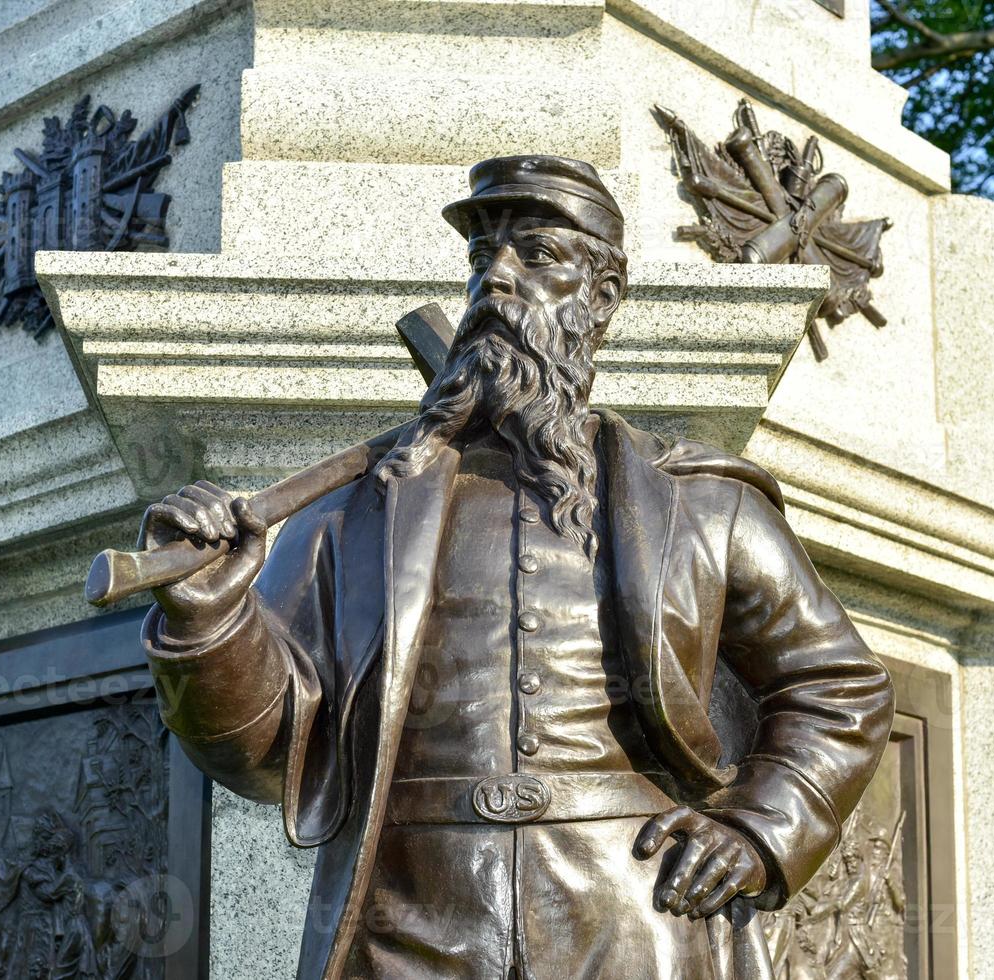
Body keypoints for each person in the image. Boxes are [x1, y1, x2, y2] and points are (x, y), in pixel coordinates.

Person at [138, 155, 895, 980]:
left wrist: (760, 828)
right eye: (480, 259)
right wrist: (208, 621)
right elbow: (269, 749)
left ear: (600, 296)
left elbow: (837, 685)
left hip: (634, 907)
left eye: (535, 254)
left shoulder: (701, 505)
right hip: (408, 913)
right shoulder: (350, 513)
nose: (497, 279)